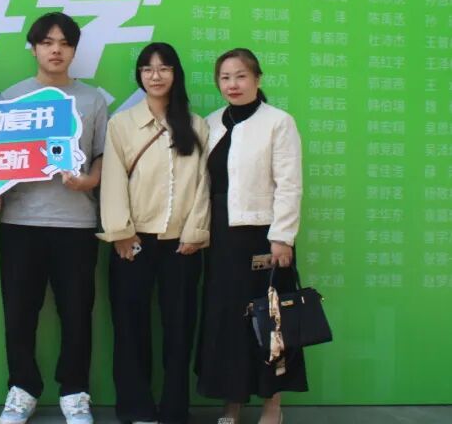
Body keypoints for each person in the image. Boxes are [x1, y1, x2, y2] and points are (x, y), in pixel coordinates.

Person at [0, 12, 108, 424]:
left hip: (76, 224)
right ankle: (22, 389)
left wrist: (89, 180)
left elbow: (101, 154)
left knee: (76, 313)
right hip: (20, 222)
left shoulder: (93, 100)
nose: (56, 50)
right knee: (19, 312)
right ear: (34, 48)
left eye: (64, 43)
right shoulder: (11, 98)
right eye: (47, 42)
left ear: (74, 50)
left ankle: (74, 392)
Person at [98, 42, 210, 424]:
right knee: (130, 330)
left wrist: (195, 232)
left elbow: (204, 184)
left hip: (182, 245)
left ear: (176, 74)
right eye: (147, 68)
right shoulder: (121, 124)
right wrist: (120, 233)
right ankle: (136, 409)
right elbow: (112, 181)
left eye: (164, 68)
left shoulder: (196, 125)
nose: (155, 75)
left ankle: (175, 410)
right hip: (134, 243)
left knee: (179, 330)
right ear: (140, 76)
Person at [195, 48, 305, 424]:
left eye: (241, 76)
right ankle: (233, 401)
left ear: (257, 79)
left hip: (262, 236)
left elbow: (289, 184)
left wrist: (282, 237)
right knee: (227, 319)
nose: (233, 84)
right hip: (220, 238)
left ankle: (272, 403)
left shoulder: (278, 122)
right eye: (225, 77)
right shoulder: (211, 123)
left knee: (270, 320)